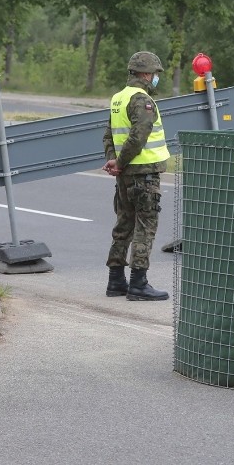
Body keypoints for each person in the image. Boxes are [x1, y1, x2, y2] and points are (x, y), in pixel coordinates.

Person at [102, 51, 170, 301]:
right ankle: (139, 284)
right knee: (145, 227)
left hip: (125, 175)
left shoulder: (118, 98)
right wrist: (119, 161)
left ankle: (116, 281)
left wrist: (114, 161)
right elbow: (138, 137)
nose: (155, 79)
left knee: (123, 226)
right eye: (154, 74)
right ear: (145, 74)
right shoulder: (143, 100)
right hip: (144, 174)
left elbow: (108, 134)